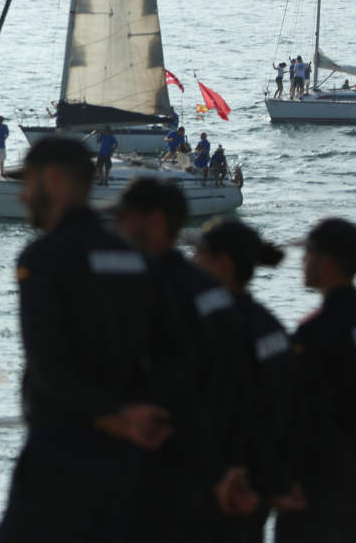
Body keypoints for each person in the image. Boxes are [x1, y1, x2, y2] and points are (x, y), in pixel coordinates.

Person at [0, 137, 175, 542]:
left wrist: (112, 414)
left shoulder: (44, 258)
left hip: (61, 455)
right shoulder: (135, 259)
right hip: (128, 465)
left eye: (29, 183)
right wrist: (135, 416)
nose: (23, 196)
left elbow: (49, 367)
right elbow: (167, 354)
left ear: (55, 179)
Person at [113, 178, 257, 541]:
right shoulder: (212, 292)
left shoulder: (134, 288)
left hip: (150, 463)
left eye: (124, 217)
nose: (117, 226)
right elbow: (239, 382)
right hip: (212, 464)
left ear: (155, 222)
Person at [275, 218, 356, 543]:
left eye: (307, 255)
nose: (303, 263)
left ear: (327, 262)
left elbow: (312, 418)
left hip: (322, 490)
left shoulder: (316, 332)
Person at [193, 220, 296, 543]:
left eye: (199, 253)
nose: (193, 262)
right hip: (258, 484)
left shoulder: (207, 325)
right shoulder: (272, 327)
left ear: (222, 263)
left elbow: (219, 406)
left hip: (211, 483)